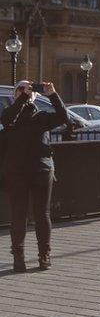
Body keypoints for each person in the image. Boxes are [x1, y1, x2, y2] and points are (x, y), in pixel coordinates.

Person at [1, 81, 68, 271]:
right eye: (20, 89)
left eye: (28, 89)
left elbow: (63, 116)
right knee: (19, 214)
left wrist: (52, 95)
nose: (25, 91)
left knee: (42, 214)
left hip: (41, 170)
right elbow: (6, 119)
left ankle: (44, 255)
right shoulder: (11, 118)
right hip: (17, 172)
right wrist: (23, 98)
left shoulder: (42, 116)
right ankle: (18, 257)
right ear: (15, 95)